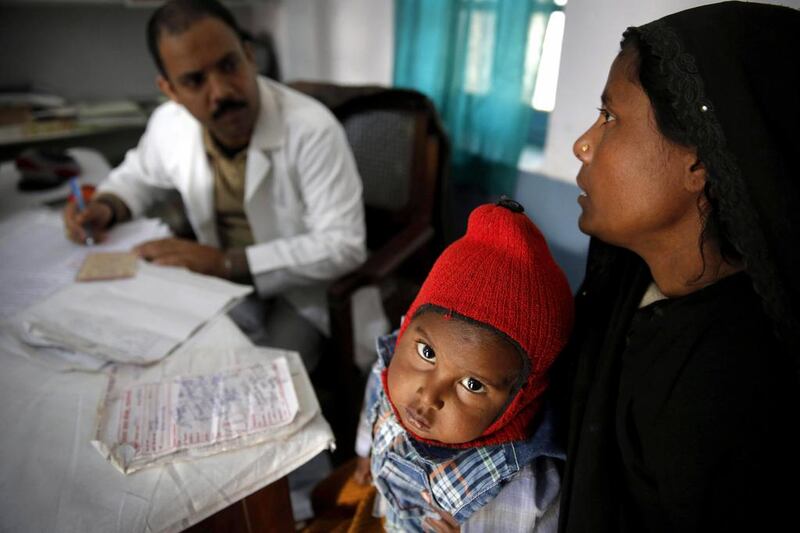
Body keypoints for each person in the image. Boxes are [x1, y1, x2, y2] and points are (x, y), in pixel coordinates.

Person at [557, 2, 800, 532]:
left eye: (612, 117)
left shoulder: (729, 392)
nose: (583, 143)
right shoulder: (631, 282)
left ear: (699, 163)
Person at [61, 0, 365, 368]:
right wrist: (106, 205)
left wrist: (226, 262)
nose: (221, 91)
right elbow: (139, 177)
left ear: (249, 56)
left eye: (229, 65)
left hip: (299, 292)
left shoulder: (312, 129)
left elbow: (343, 244)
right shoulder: (169, 124)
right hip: (220, 283)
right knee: (168, 359)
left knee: (264, 376)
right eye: (194, 81)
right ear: (170, 89)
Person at [307, 199, 574, 532]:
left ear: (517, 401)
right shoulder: (389, 369)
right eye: (427, 353)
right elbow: (374, 409)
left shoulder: (524, 486)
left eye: (472, 385)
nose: (429, 394)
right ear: (406, 332)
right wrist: (366, 451)